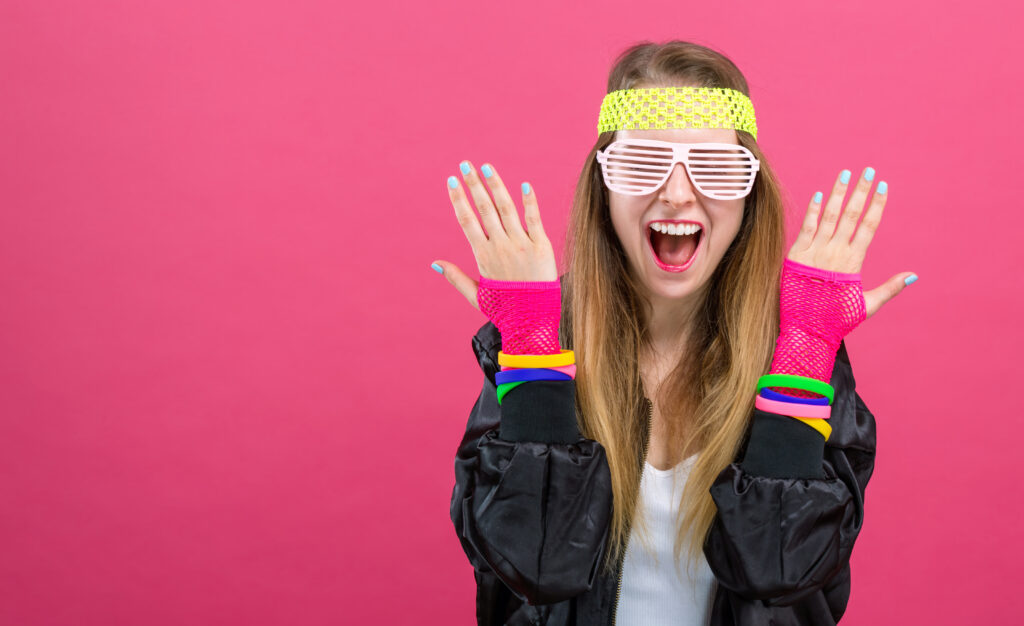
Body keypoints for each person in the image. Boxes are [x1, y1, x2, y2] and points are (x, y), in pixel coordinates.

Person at [433, 40, 916, 626]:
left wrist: (805, 354)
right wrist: (534, 361)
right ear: (603, 189)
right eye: (642, 165)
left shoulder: (799, 354)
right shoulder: (538, 344)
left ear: (749, 195)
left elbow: (783, 577)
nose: (679, 193)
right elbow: (532, 569)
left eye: (714, 167)